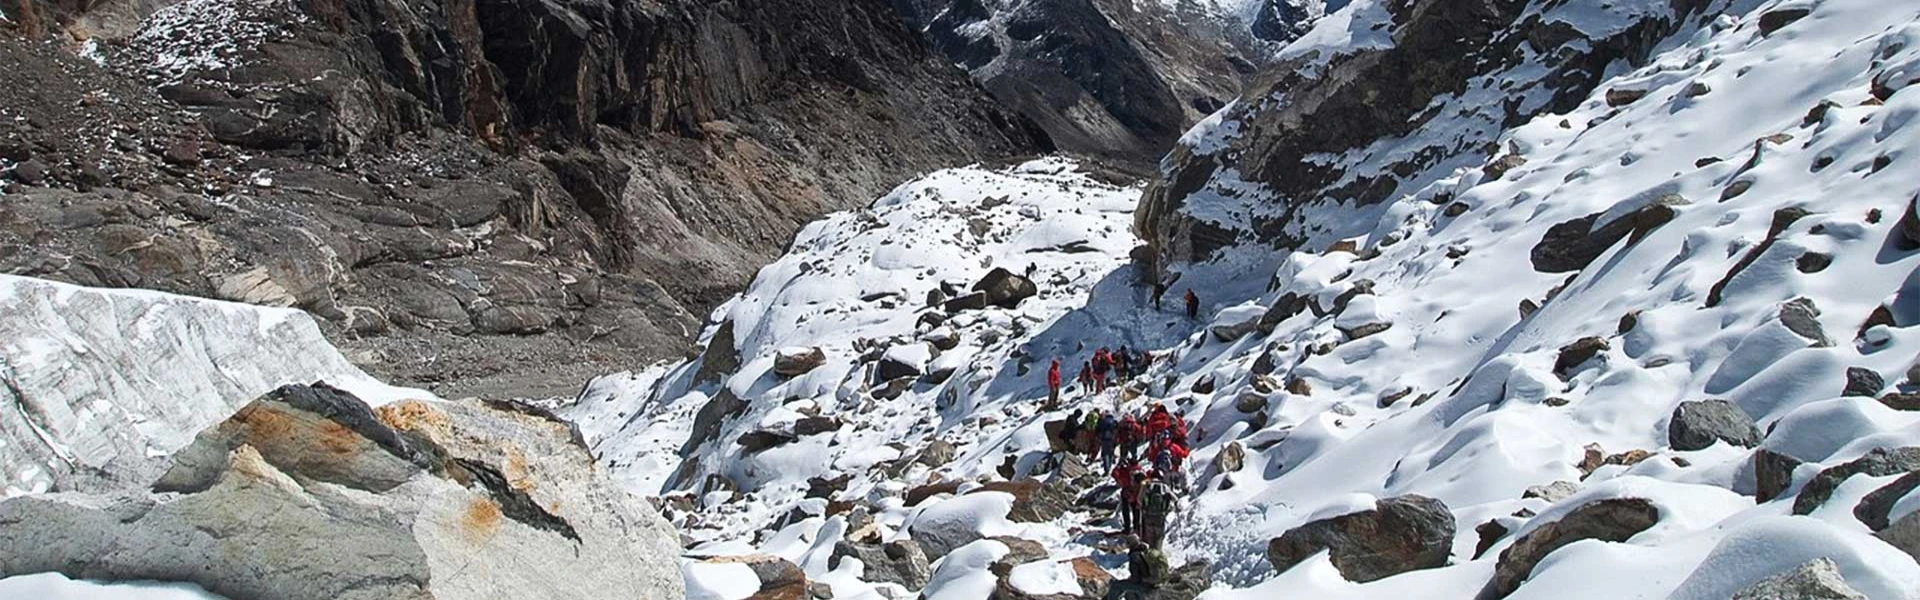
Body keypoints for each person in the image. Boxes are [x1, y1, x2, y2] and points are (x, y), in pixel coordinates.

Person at [1139, 474, 1178, 547]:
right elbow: (1175, 499)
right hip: (1160, 516)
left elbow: (1139, 500)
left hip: (1148, 515)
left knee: (1150, 536)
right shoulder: (1164, 487)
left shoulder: (1147, 486)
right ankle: (1158, 551)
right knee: (1159, 537)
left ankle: (1151, 550)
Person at [1113, 460, 1143, 535]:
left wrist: (1118, 466)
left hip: (1127, 493)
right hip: (1137, 493)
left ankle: (1127, 528)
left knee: (1126, 511)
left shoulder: (1126, 470)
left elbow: (1114, 474)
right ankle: (1136, 528)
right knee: (1136, 512)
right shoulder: (1141, 470)